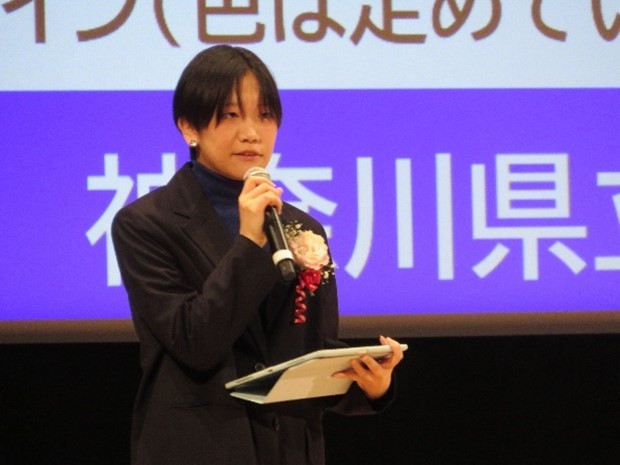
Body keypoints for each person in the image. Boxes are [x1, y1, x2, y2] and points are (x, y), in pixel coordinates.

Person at [112, 44, 405, 465]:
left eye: (264, 115)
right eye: (231, 115)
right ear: (189, 127)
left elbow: (310, 354)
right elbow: (195, 342)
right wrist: (250, 244)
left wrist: (369, 386)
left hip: (290, 447)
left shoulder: (302, 227)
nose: (252, 132)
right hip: (201, 447)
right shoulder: (146, 223)